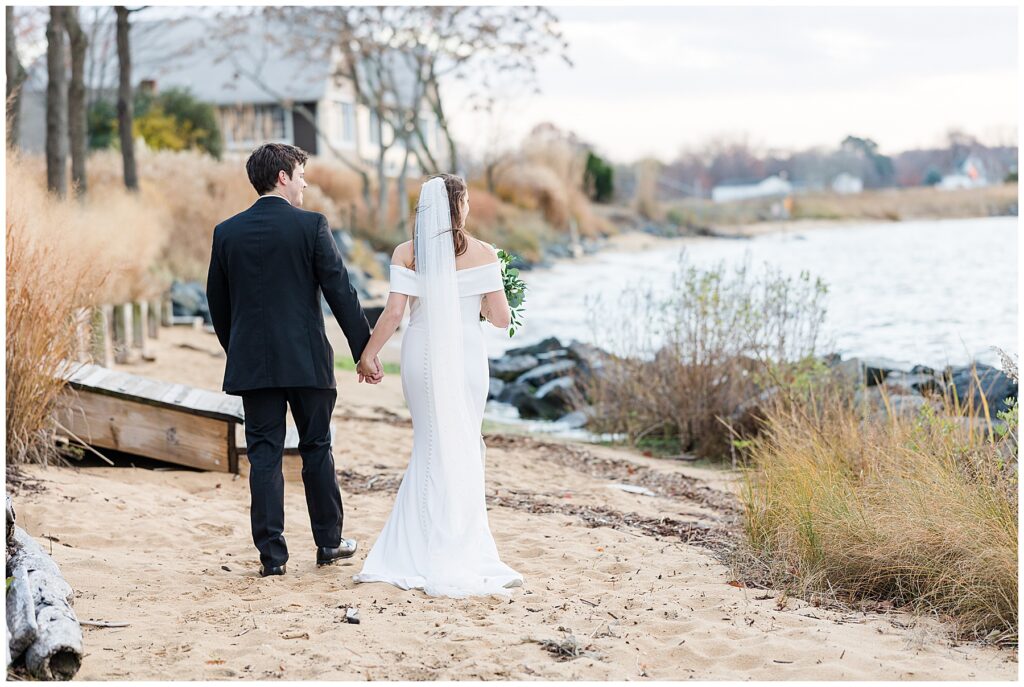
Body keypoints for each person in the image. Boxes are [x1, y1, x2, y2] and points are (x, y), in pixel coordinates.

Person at [206, 143, 382, 577]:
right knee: (316, 448)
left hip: (255, 367)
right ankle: (329, 543)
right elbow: (341, 293)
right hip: (306, 364)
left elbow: (218, 304)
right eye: (301, 175)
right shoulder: (312, 226)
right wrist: (365, 352)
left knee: (264, 455)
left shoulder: (227, 232)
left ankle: (273, 557)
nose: (305, 183)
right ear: (283, 177)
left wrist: (240, 351)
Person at [352, 174, 524, 597]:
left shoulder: (408, 253)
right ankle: (460, 542)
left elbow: (394, 314)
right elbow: (501, 319)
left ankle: (421, 544)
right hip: (466, 355)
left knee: (430, 444)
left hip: (423, 352)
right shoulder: (485, 253)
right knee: (464, 441)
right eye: (464, 201)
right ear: (457, 206)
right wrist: (479, 306)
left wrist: (368, 354)